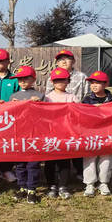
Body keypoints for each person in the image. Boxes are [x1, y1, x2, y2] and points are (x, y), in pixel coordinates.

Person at [46, 49, 88, 181]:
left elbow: (87, 95)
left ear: (73, 61)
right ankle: (57, 174)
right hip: (56, 120)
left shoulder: (82, 76)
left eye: (67, 58)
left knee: (75, 144)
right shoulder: (51, 77)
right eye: (60, 59)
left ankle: (79, 171)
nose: (64, 61)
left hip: (75, 116)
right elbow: (47, 98)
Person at [9, 66, 44, 204]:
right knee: (20, 164)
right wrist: (10, 105)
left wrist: (39, 104)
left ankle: (32, 189)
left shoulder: (39, 96)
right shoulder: (13, 96)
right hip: (19, 134)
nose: (22, 81)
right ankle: (22, 187)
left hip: (34, 135)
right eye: (20, 79)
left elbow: (45, 116)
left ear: (33, 79)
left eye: (25, 78)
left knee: (33, 164)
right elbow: (9, 116)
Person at [44, 68, 78, 200]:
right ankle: (51, 185)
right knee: (50, 162)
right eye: (56, 80)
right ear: (52, 82)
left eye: (62, 80)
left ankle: (63, 186)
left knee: (64, 161)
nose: (59, 83)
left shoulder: (72, 97)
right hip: (50, 134)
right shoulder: (47, 97)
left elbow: (79, 113)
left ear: (68, 81)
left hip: (66, 133)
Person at [81, 71, 112, 197]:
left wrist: (104, 108)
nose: (94, 85)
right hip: (90, 134)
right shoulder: (86, 100)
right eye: (92, 83)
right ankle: (89, 183)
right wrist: (91, 109)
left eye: (98, 83)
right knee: (89, 158)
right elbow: (81, 115)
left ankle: (104, 182)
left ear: (106, 84)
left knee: (106, 158)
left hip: (107, 134)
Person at [0, 48, 20, 183]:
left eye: (1, 61)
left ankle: (6, 170)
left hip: (9, 117)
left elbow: (20, 96)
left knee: (8, 143)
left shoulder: (15, 79)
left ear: (8, 62)